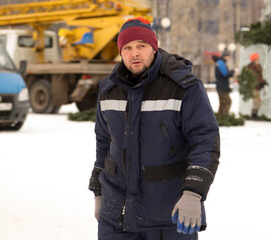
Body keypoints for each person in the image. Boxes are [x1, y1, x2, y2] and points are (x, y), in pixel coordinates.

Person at [88, 17, 220, 240]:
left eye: (141, 46)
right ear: (121, 52)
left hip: (168, 216)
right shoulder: (109, 89)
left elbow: (205, 140)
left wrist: (193, 193)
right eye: (127, 48)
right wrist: (98, 191)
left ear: (154, 48)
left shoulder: (184, 86)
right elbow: (104, 143)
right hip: (116, 217)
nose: (134, 53)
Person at [213, 49, 235, 116]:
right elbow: (225, 74)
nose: (229, 58)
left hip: (221, 85)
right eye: (228, 56)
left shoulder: (220, 62)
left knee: (223, 103)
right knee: (227, 102)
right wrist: (233, 72)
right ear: (225, 56)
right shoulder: (221, 62)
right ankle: (223, 117)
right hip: (222, 86)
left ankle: (221, 117)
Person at [246, 52, 268, 119]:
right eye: (258, 58)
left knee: (257, 101)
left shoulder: (258, 66)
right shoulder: (251, 67)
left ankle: (254, 115)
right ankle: (254, 116)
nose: (259, 59)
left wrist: (263, 82)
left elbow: (259, 77)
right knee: (256, 101)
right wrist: (259, 82)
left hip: (257, 86)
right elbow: (252, 78)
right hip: (253, 86)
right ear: (255, 59)